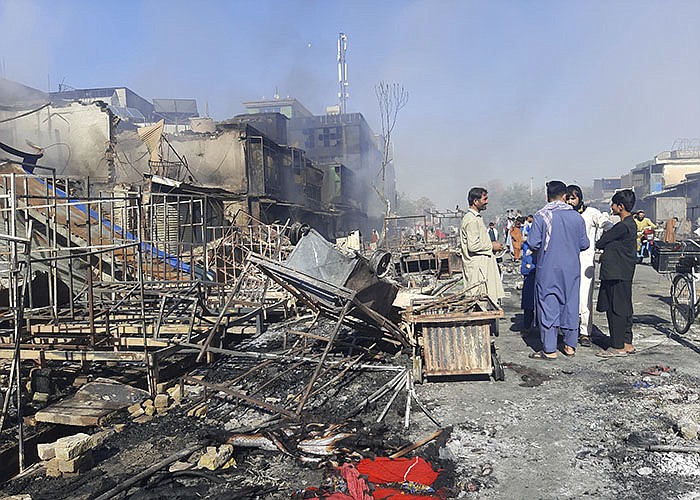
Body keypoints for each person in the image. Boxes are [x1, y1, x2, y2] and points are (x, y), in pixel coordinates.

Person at [527, 181, 589, 360]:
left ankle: (550, 349)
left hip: (548, 267)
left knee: (548, 303)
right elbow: (584, 244)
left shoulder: (542, 215)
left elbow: (533, 243)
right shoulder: (577, 217)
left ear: (548, 197)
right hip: (571, 267)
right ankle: (570, 346)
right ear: (564, 196)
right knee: (570, 303)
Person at [566, 185, 612, 347]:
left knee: (585, 297)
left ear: (580, 198)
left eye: (573, 198)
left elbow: (606, 224)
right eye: (568, 198)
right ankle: (567, 328)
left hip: (585, 261)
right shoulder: (564, 215)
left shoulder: (591, 213)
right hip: (567, 260)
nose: (571, 201)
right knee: (567, 295)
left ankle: (585, 332)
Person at [595, 189, 638, 357]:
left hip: (617, 273)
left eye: (613, 204)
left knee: (615, 309)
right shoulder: (630, 224)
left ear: (620, 207)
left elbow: (601, 242)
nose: (611, 207)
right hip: (624, 272)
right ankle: (626, 342)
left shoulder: (622, 226)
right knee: (625, 307)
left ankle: (617, 345)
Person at [460, 187, 505, 303]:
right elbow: (473, 246)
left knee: (485, 300)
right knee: (478, 302)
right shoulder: (471, 220)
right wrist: (491, 246)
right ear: (475, 201)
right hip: (477, 269)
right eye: (484, 199)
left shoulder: (476, 218)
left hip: (481, 266)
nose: (487, 202)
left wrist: (492, 245)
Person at [520, 236, 537, 335]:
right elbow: (524, 269)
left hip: (543, 279)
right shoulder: (528, 247)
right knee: (528, 305)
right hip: (530, 279)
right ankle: (527, 326)